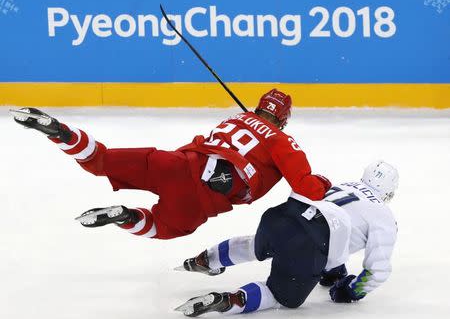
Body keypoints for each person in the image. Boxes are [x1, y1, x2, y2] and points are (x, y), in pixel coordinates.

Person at [10, 89, 331, 240]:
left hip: (176, 163)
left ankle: (61, 132)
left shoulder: (237, 117)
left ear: (258, 108)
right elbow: (306, 188)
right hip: (207, 193)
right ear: (284, 119)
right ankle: (126, 215)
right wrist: (324, 183)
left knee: (100, 160)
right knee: (164, 228)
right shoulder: (284, 142)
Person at [174, 161, 399, 317]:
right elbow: (377, 271)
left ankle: (207, 259)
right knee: (278, 295)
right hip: (310, 244)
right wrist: (351, 290)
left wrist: (332, 270)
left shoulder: (344, 185)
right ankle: (228, 300)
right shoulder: (384, 217)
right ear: (389, 191)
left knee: (255, 245)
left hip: (280, 218)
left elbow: (337, 223)